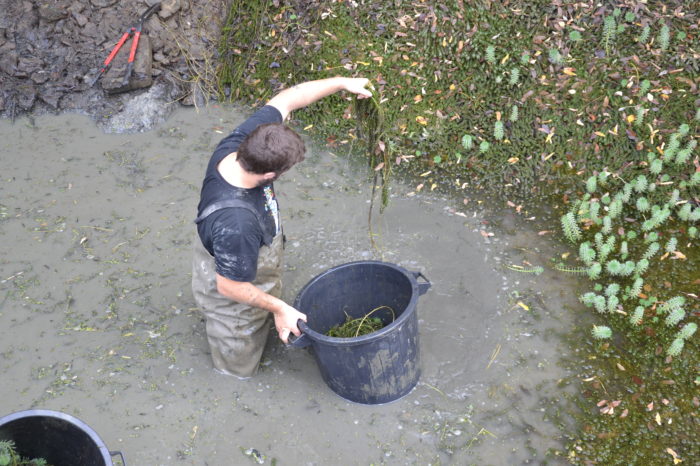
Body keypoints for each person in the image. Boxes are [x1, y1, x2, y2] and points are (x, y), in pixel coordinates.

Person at [192, 76, 372, 378]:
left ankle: (268, 312)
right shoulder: (236, 223)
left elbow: (288, 98)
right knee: (238, 362)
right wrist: (279, 308)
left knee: (262, 297)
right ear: (271, 173)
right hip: (230, 289)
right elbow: (228, 286)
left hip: (245, 252)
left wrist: (343, 82)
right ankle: (233, 375)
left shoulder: (243, 144)